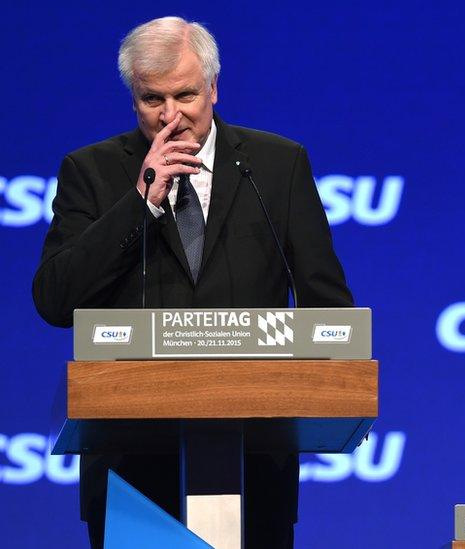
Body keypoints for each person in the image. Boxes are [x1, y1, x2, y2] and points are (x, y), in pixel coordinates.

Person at [32, 16, 353, 549]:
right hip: (129, 468)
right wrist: (140, 201)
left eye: (186, 94)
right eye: (151, 99)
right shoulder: (90, 172)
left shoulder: (276, 166)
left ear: (214, 88)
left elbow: (330, 308)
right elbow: (55, 300)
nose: (170, 116)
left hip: (256, 466)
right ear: (132, 98)